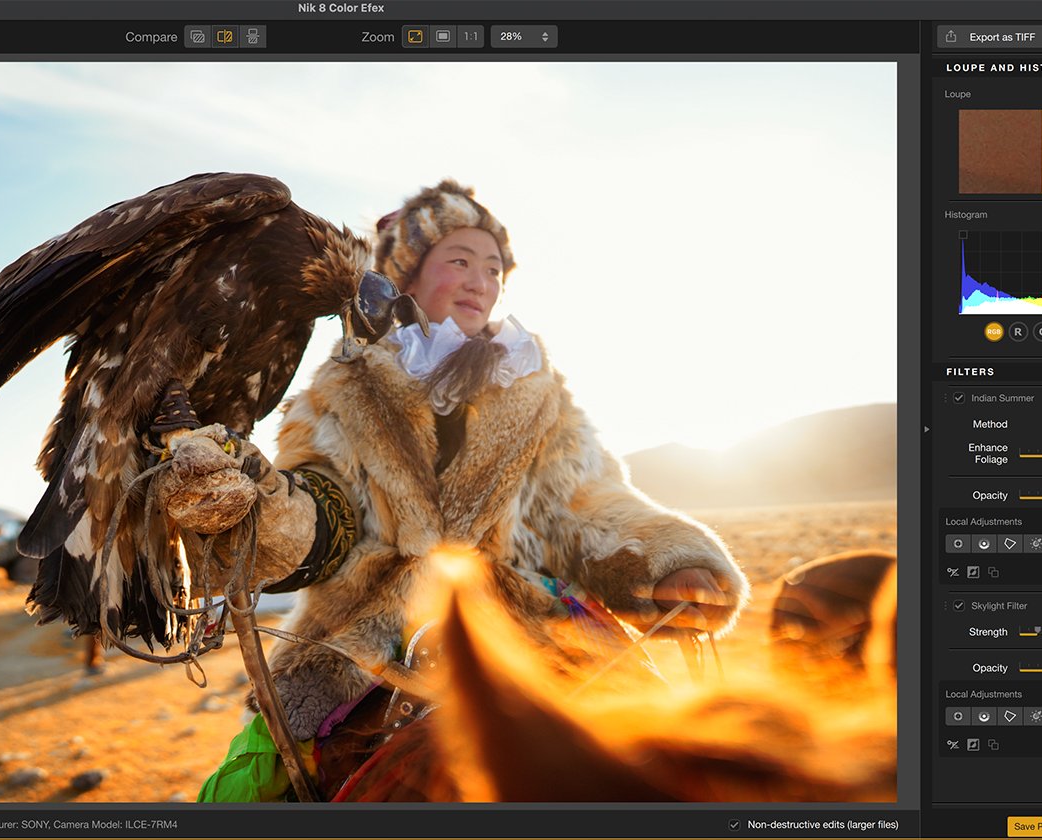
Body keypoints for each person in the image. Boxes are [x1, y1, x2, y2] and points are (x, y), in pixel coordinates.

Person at [157, 181, 750, 800]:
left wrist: (669, 562)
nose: (481, 281)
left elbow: (588, 505)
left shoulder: (538, 392)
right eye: (459, 262)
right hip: (371, 649)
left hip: (535, 628)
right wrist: (260, 510)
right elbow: (320, 509)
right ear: (404, 276)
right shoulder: (336, 394)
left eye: (493, 268)